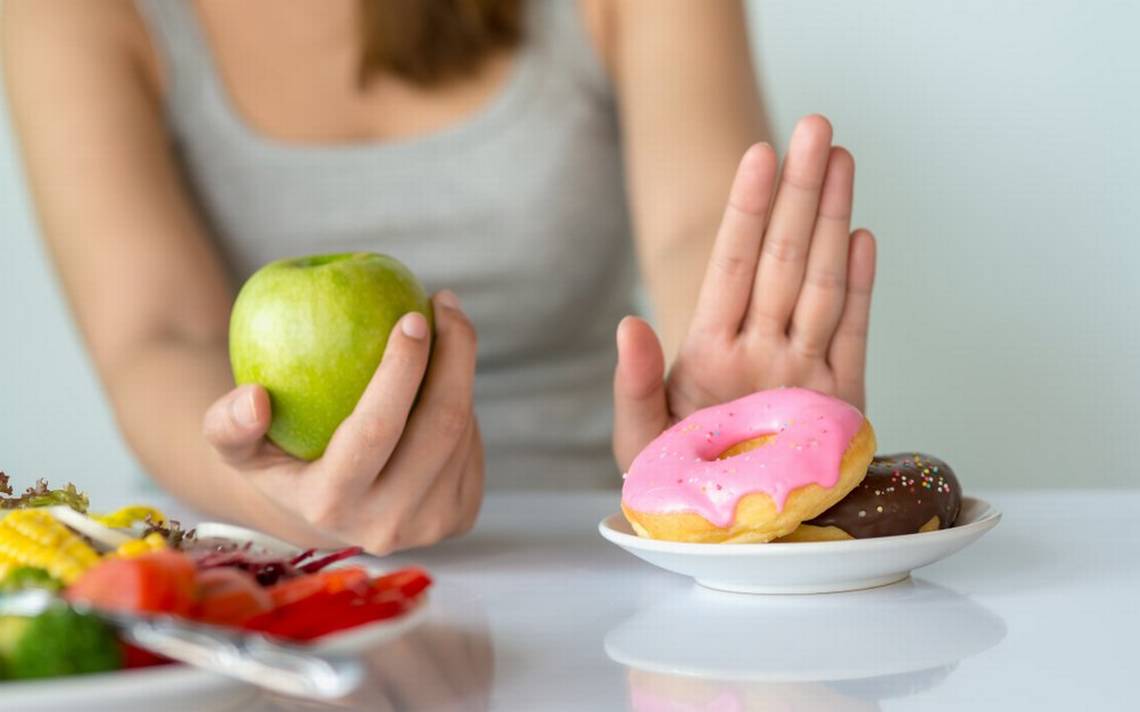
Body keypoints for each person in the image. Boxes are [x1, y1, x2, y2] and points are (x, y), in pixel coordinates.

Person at [3, 0, 875, 554]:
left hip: (586, 557)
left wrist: (723, 422)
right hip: (252, 574)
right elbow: (157, 333)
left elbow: (698, 229)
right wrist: (283, 501)